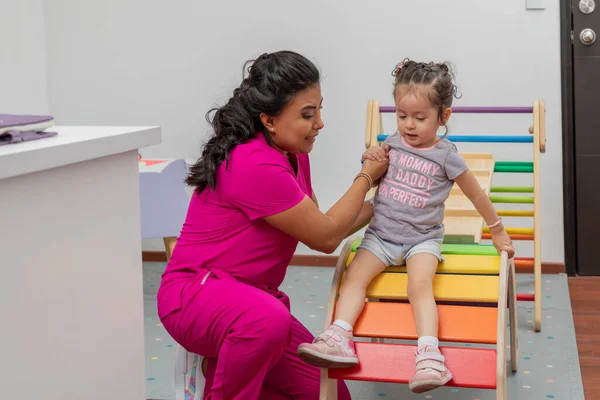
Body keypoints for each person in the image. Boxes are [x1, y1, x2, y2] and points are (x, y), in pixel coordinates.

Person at [156, 50, 388, 400]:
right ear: (269, 120)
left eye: (320, 109)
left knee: (332, 396)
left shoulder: (293, 154)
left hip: (254, 305)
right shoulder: (253, 163)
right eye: (307, 114)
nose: (320, 123)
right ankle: (217, 372)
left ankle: (219, 367)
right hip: (196, 297)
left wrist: (387, 202)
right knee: (267, 321)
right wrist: (366, 177)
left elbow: (321, 225)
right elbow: (326, 237)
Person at [297, 58, 516, 394]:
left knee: (419, 287)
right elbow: (373, 168)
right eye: (402, 116)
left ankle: (430, 356)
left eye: (420, 117)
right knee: (355, 277)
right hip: (381, 236)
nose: (409, 125)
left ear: (443, 116)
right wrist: (369, 155)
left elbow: (476, 195)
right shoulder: (393, 143)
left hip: (422, 241)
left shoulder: (447, 156)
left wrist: (497, 228)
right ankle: (339, 336)